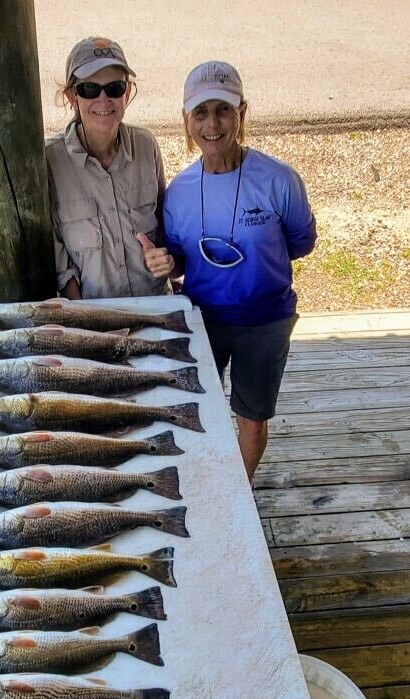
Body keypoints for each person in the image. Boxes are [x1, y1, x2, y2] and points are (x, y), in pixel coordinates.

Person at [141, 61, 316, 481]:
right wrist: (165, 262)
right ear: (187, 121)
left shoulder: (278, 180)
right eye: (201, 113)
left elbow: (302, 242)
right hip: (204, 319)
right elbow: (181, 257)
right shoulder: (180, 191)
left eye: (223, 109)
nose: (213, 123)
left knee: (251, 418)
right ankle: (201, 486)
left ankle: (238, 493)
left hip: (266, 321)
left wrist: (257, 270)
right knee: (194, 406)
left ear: (242, 112)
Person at [46, 37, 169, 301]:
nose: (103, 100)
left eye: (114, 88)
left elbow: (165, 227)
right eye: (89, 89)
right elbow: (56, 257)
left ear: (127, 93)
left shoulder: (146, 145)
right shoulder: (49, 161)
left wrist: (164, 258)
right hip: (94, 321)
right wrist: (87, 319)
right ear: (71, 97)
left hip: (155, 308)